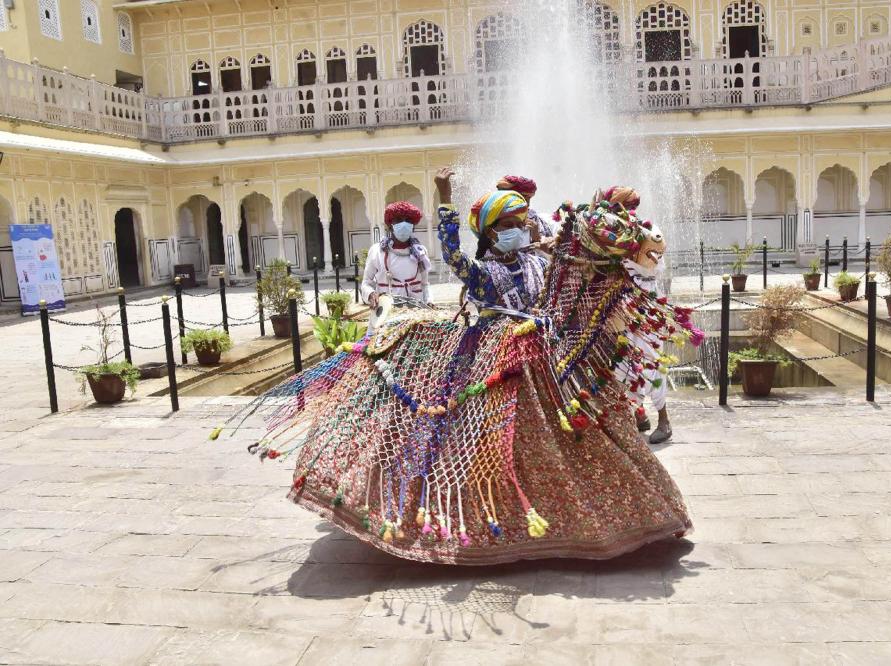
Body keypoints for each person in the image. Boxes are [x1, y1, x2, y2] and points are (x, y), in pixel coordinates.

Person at [228, 182, 700, 566]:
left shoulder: (539, 261)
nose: (520, 230)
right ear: (492, 234)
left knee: (578, 439)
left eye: (522, 223)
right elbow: (458, 266)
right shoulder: (484, 272)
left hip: (544, 358)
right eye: (510, 226)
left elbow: (571, 271)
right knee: (491, 447)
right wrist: (447, 221)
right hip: (498, 360)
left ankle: (619, 517)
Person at [605, 185, 675, 444]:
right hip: (624, 308)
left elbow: (652, 267)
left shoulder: (648, 233)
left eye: (615, 209)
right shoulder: (616, 234)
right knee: (623, 364)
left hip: (645, 308)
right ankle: (638, 415)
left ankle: (665, 421)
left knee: (649, 362)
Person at [437, 167, 547, 312]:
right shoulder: (479, 271)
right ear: (489, 231)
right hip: (491, 334)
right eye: (508, 225)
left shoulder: (539, 265)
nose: (515, 229)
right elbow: (452, 255)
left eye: (519, 225)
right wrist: (445, 199)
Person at [360, 201, 432, 313]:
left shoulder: (420, 252)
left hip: (416, 314)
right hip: (385, 313)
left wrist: (429, 302)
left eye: (408, 220)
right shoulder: (377, 251)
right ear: (390, 225)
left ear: (413, 226)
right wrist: (371, 294)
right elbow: (366, 283)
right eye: (398, 220)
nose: (404, 224)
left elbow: (424, 285)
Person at [496, 175, 554, 249]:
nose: (528, 203)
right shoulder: (492, 215)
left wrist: (536, 238)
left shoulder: (533, 217)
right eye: (523, 198)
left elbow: (551, 250)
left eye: (529, 199)